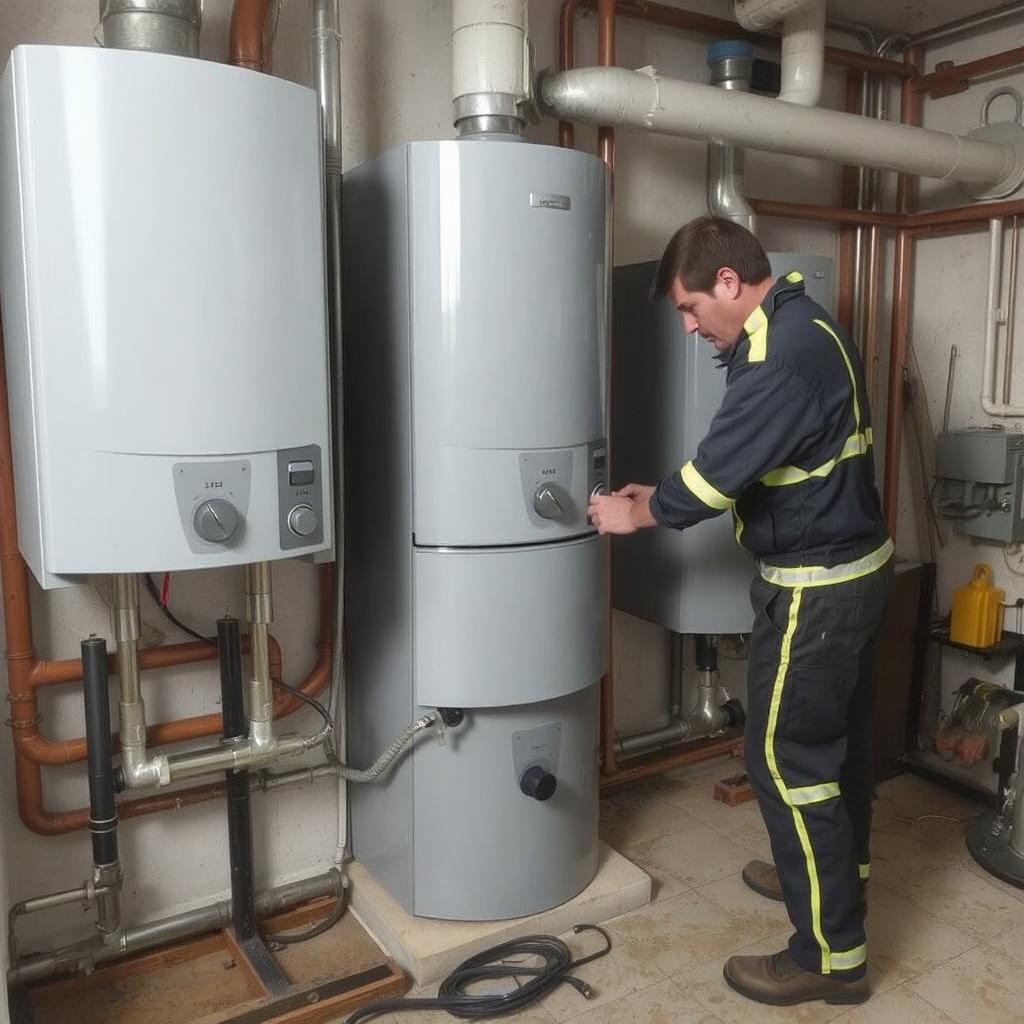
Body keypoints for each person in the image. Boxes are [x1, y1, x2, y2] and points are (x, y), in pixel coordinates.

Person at [588, 217, 892, 1008]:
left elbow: (719, 475)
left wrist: (638, 513)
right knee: (835, 751)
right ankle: (835, 882)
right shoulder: (803, 320)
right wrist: (663, 491)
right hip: (854, 571)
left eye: (691, 309)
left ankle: (830, 956)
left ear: (728, 282)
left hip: (815, 589)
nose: (690, 329)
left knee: (786, 760)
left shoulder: (779, 355)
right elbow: (757, 457)